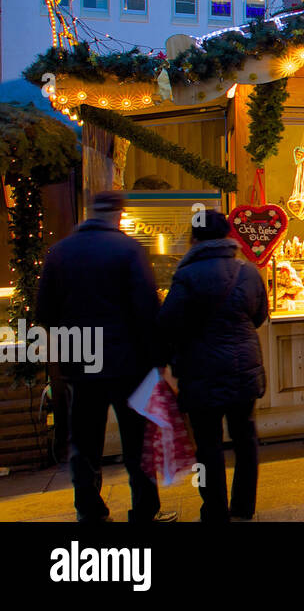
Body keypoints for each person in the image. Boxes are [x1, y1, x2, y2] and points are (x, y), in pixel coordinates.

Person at [35, 191, 175, 523]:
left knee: (84, 443)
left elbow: (45, 311)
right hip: (129, 363)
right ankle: (144, 510)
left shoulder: (60, 252)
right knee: (137, 442)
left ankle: (89, 510)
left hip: (81, 361)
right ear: (118, 215)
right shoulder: (129, 250)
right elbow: (146, 310)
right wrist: (159, 359)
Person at [158, 209, 267, 522]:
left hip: (200, 370)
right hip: (243, 367)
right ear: (227, 236)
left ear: (194, 238)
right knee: (245, 437)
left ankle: (215, 510)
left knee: (208, 444)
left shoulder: (186, 275)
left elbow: (168, 323)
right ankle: (244, 506)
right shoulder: (248, 271)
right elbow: (259, 316)